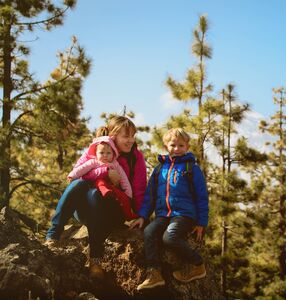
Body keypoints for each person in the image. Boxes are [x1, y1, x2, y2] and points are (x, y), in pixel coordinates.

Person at [45, 116, 147, 280]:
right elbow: (76, 174)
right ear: (113, 136)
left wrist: (142, 215)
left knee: (94, 194)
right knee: (79, 185)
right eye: (126, 136)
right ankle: (53, 234)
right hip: (88, 208)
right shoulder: (97, 149)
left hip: (114, 210)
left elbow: (139, 189)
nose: (131, 141)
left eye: (132, 136)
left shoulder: (135, 157)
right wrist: (103, 172)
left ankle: (95, 260)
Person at [130, 128, 208, 290]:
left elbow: (202, 196)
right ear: (166, 146)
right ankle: (154, 273)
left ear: (187, 147)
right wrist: (143, 216)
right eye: (173, 145)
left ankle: (197, 264)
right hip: (163, 214)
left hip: (184, 215)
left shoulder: (191, 168)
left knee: (169, 237)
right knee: (149, 231)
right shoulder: (159, 169)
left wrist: (201, 222)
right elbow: (150, 195)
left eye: (181, 145)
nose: (177, 149)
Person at [66, 134, 137, 220]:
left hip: (112, 187)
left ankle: (128, 214)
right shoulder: (93, 162)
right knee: (100, 182)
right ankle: (105, 191)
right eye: (101, 153)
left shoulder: (115, 165)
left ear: (113, 153)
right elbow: (82, 169)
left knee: (123, 198)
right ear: (96, 153)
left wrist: (128, 194)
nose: (105, 155)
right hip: (97, 187)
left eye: (108, 153)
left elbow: (123, 179)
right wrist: (72, 175)